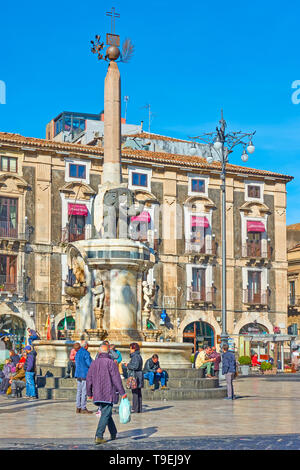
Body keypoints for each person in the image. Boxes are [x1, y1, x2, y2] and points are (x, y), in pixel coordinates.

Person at [86, 343, 127, 445]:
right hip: (108, 393)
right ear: (108, 352)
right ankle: (99, 436)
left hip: (98, 393)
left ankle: (113, 432)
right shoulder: (111, 363)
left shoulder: (94, 363)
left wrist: (89, 392)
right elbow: (116, 379)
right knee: (106, 412)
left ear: (99, 352)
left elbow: (89, 379)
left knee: (106, 412)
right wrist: (122, 392)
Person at [123, 343, 144, 413]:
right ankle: (139, 408)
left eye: (131, 348)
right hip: (138, 375)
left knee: (135, 392)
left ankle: (135, 408)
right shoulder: (138, 356)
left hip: (135, 376)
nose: (130, 350)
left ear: (134, 349)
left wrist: (127, 365)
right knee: (138, 392)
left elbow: (135, 366)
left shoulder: (135, 356)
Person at [74, 340, 93, 414]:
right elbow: (89, 363)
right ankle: (83, 408)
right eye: (87, 345)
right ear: (86, 346)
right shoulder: (86, 353)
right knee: (84, 391)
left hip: (78, 373)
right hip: (85, 373)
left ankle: (78, 407)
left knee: (79, 391)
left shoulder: (77, 353)